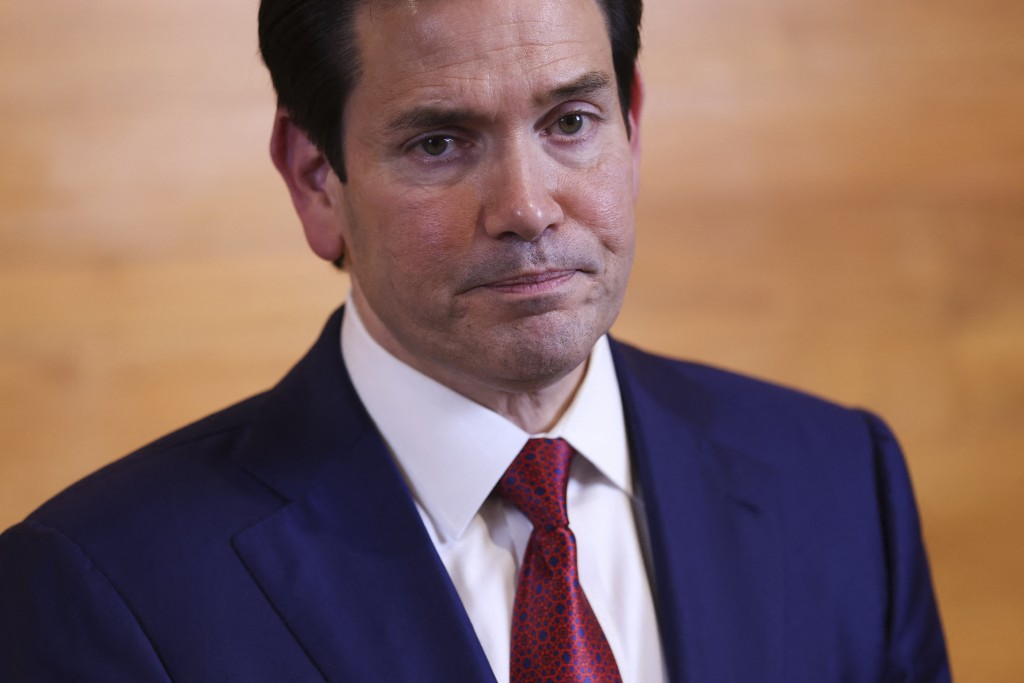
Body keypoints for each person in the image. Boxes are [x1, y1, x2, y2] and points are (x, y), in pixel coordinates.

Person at [0, 0, 951, 680]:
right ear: (314, 179)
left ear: (632, 124)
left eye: (571, 121)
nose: (528, 208)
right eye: (439, 143)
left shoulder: (840, 482)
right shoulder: (98, 587)